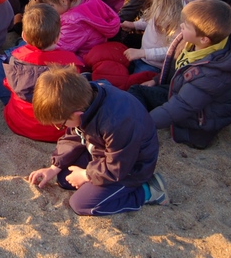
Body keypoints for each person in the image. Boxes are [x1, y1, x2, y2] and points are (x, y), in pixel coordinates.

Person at [27, 66, 167, 216]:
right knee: (64, 177)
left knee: (82, 204)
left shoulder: (117, 122)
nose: (59, 127)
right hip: (102, 153)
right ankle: (93, 183)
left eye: (60, 124)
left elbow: (117, 167)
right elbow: (73, 136)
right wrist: (54, 167)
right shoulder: (84, 100)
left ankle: (148, 192)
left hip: (131, 167)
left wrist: (86, 175)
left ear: (77, 114)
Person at [128, 0, 231, 149]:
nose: (181, 26)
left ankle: (132, 123)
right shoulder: (191, 41)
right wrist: (156, 80)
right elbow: (176, 67)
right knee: (137, 90)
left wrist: (144, 125)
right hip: (182, 91)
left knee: (143, 105)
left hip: (200, 119)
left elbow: (180, 106)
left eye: (186, 26)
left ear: (204, 39)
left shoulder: (212, 75)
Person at [0, 4, 84, 141]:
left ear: (24, 35)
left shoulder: (16, 59)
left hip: (18, 123)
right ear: (57, 37)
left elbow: (8, 84)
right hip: (55, 131)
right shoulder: (72, 66)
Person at [33, 0, 120, 57]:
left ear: (63, 1)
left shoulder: (74, 22)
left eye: (51, 6)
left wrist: (30, 34)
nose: (50, 9)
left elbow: (58, 48)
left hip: (83, 58)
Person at [121, 0, 183, 74]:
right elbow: (152, 20)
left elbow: (173, 49)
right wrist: (134, 25)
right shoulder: (161, 1)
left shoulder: (174, 13)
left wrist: (143, 53)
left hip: (154, 66)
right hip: (143, 56)